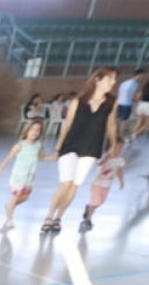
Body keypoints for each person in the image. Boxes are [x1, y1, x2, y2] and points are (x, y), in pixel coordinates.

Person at [42, 67, 119, 234]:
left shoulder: (111, 102)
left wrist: (113, 145)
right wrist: (57, 148)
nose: (113, 83)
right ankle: (48, 216)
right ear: (98, 80)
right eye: (109, 79)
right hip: (70, 146)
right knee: (65, 183)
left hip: (91, 148)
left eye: (114, 80)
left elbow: (111, 125)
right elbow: (67, 125)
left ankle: (59, 218)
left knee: (74, 185)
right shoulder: (78, 101)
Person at [0, 120, 57, 232]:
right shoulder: (20, 145)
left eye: (38, 130)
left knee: (25, 198)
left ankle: (9, 206)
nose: (35, 132)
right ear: (27, 131)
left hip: (29, 177)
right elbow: (8, 159)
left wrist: (53, 158)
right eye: (33, 129)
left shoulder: (38, 146)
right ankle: (9, 220)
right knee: (16, 196)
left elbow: (41, 157)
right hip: (19, 176)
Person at [81, 137, 126, 232]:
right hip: (97, 184)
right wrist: (107, 157)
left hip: (107, 186)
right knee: (95, 201)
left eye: (121, 148)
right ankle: (88, 219)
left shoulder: (119, 160)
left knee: (100, 202)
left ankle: (89, 209)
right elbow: (99, 163)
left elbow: (119, 171)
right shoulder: (105, 157)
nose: (119, 150)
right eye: (117, 147)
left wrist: (121, 181)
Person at [116, 68, 145, 135]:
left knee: (118, 120)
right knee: (124, 121)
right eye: (142, 76)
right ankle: (121, 135)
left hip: (119, 102)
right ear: (139, 75)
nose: (142, 78)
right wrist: (139, 96)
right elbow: (133, 97)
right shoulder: (135, 84)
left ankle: (116, 134)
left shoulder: (123, 83)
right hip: (127, 104)